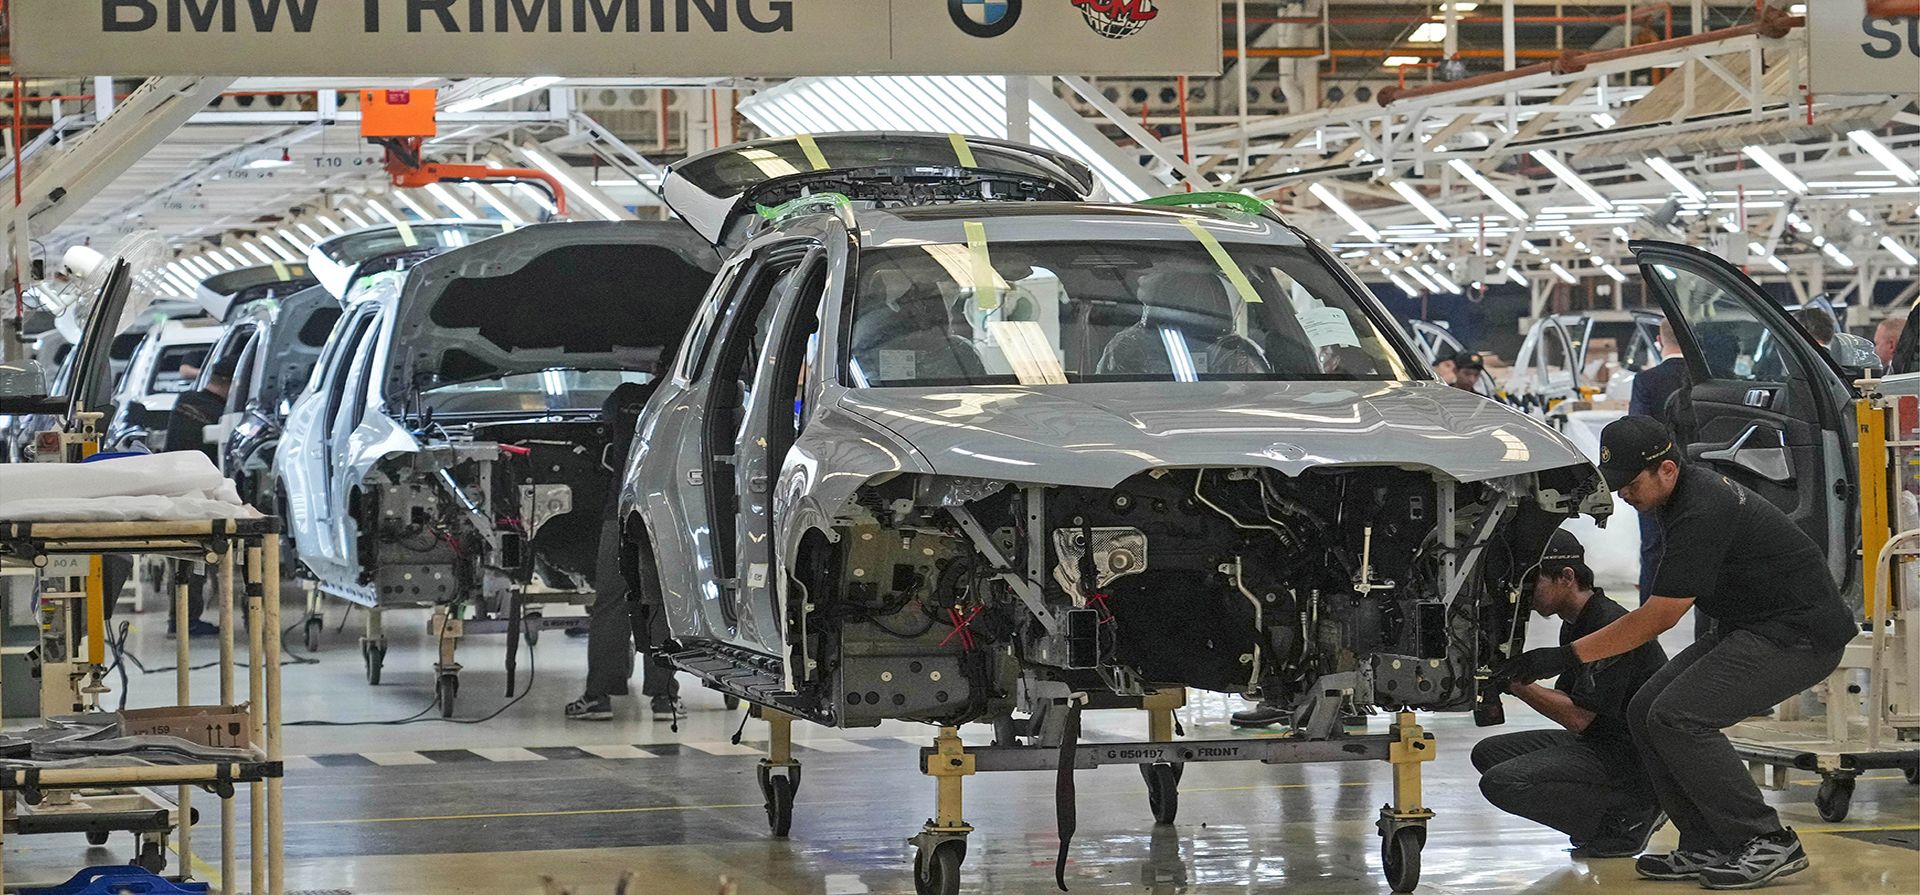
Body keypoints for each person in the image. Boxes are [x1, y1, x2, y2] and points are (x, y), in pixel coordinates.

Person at [1499, 416, 1855, 889]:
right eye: (1617, 484)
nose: (1624, 495)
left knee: (1678, 716)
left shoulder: (1702, 508)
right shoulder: (1675, 501)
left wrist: (1565, 657)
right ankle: (1707, 841)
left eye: (1631, 483)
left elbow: (1659, 617)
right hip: (1752, 625)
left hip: (1798, 635)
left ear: (1667, 469)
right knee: (1646, 709)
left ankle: (1767, 839)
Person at [1476, 529, 1668, 857]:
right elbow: (1573, 705)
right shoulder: (1576, 622)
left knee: (1502, 782)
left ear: (1566, 576)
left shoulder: (1607, 625)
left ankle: (1632, 815)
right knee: (1488, 754)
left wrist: (1516, 683)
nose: (1525, 595)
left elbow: (1577, 718)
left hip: (1633, 755)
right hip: (1601, 741)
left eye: (1532, 584)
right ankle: (1604, 817)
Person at [1629, 318, 1688, 605]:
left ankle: (1647, 618)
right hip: (1698, 473)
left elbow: (1637, 428)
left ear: (1659, 339)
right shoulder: (1704, 378)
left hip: (1656, 474)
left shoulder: (1645, 381)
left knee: (1653, 547)